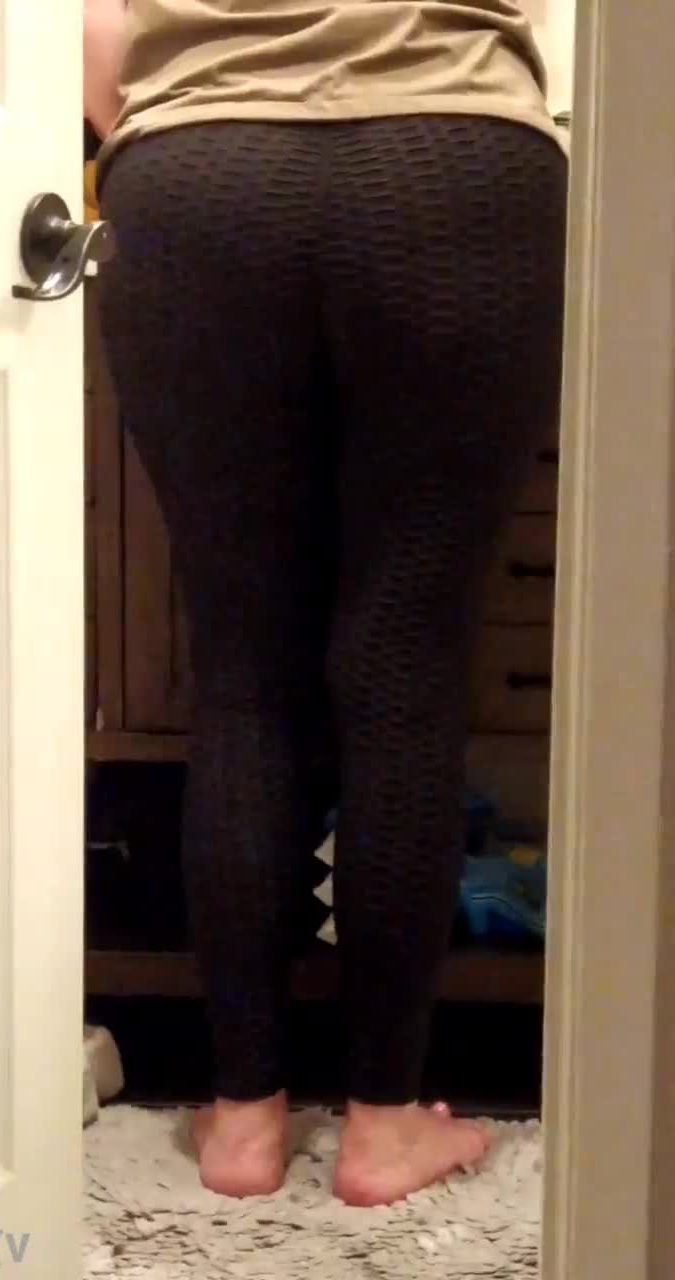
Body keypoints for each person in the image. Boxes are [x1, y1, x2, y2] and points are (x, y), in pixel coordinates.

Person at [84, 0, 567, 1206]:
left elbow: (89, 34)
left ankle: (244, 1119)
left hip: (199, 171)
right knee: (405, 662)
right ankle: (383, 1122)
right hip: (457, 156)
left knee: (243, 669)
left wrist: (188, 102)